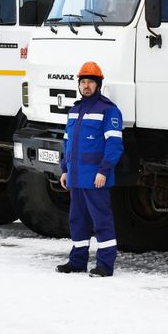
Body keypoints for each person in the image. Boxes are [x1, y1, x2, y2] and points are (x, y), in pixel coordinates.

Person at [55, 61, 124, 277]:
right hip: (75, 176)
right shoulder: (74, 110)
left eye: (90, 82)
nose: (86, 86)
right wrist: (64, 169)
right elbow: (68, 143)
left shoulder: (109, 110)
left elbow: (114, 145)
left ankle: (105, 265)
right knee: (77, 220)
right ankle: (77, 261)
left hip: (95, 177)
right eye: (83, 82)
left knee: (101, 220)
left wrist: (103, 171)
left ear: (98, 85)